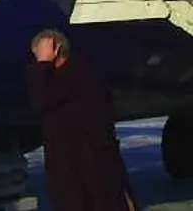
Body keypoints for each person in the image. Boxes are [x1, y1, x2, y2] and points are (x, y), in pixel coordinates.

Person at [26, 29, 138, 211]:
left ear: (55, 49)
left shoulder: (75, 78)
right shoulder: (75, 75)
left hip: (86, 172)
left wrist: (43, 64)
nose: (37, 59)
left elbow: (40, 100)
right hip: (83, 171)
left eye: (38, 53)